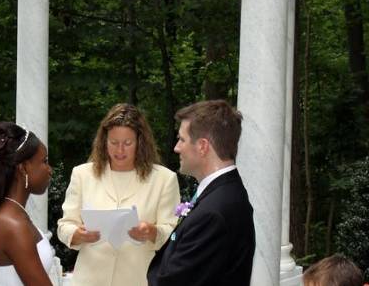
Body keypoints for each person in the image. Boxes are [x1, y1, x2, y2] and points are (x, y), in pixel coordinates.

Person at [57, 103, 180, 286]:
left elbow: (174, 235)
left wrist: (152, 232)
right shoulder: (82, 174)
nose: (119, 150)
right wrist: (78, 234)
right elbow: (64, 226)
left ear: (140, 142)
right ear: (103, 141)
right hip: (89, 280)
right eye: (113, 143)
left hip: (138, 279)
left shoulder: (164, 179)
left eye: (127, 143)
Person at [147, 99, 255, 286]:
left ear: (203, 146)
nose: (176, 147)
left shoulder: (214, 212)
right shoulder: (223, 193)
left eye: (181, 139)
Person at [0, 122, 55, 286]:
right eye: (44, 161)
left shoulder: (14, 213)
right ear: (23, 168)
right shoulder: (11, 224)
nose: (49, 169)